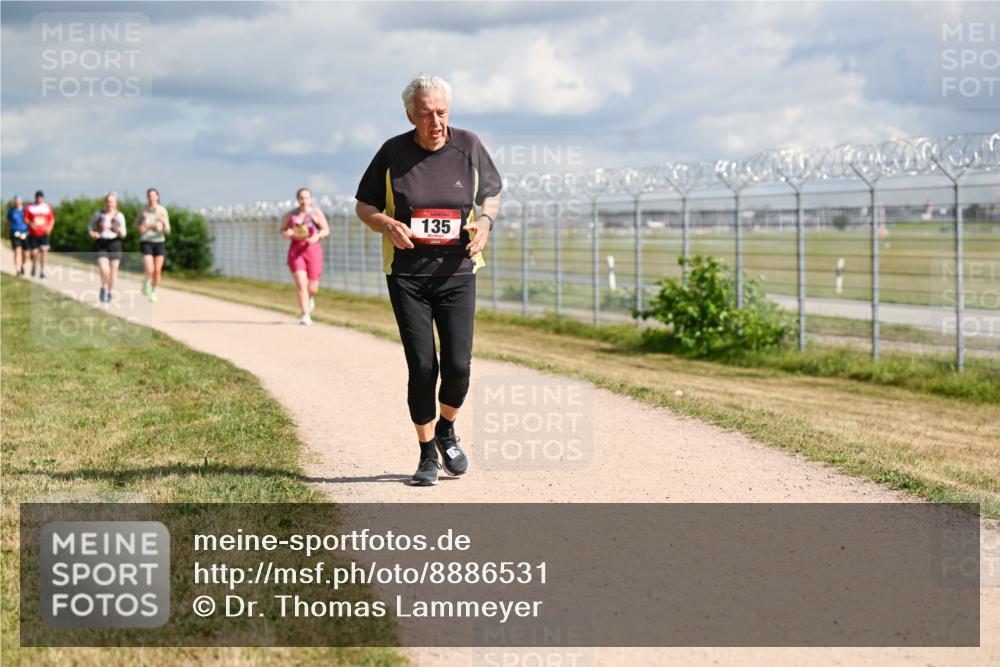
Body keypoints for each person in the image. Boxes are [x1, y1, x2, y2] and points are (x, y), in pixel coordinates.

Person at [355, 74, 501, 487]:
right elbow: (364, 205)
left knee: (457, 366)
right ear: (410, 114)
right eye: (425, 114)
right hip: (407, 276)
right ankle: (425, 455)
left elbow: (491, 193)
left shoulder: (468, 145)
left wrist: (486, 222)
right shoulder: (392, 152)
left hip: (457, 272)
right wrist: (385, 222)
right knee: (422, 366)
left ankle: (446, 430)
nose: (435, 122)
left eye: (442, 113)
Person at [280, 187, 330, 325]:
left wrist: (317, 236)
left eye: (307, 198)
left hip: (313, 250)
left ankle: (310, 298)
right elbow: (282, 231)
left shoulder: (315, 213)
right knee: (301, 284)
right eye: (301, 198)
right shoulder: (291, 215)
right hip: (296, 252)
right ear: (297, 199)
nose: (304, 201)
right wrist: (288, 233)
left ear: (310, 199)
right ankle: (305, 314)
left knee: (312, 287)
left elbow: (326, 230)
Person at [87, 192, 127, 303]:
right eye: (108, 201)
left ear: (115, 203)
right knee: (105, 270)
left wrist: (119, 230)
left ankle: (109, 292)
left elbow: (124, 233)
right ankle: (103, 287)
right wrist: (92, 232)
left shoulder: (119, 216)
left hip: (115, 243)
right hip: (101, 243)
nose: (110, 204)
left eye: (112, 202)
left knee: (113, 273)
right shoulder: (99, 214)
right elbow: (90, 225)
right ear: (105, 202)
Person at [137, 187, 170, 303]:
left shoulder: (162, 211)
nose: (151, 198)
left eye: (153, 195)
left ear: (157, 197)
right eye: (149, 196)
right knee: (150, 269)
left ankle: (154, 291)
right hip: (146, 241)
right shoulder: (143, 211)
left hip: (159, 242)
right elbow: (138, 227)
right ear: (147, 198)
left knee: (157, 270)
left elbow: (167, 230)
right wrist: (142, 228)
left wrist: (163, 223)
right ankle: (146, 281)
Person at [24, 190, 55, 279]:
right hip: (33, 234)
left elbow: (52, 219)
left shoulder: (47, 207)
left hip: (44, 233)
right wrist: (30, 224)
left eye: (40, 198)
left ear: (43, 198)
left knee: (44, 251)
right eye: (38, 198)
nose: (39, 199)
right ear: (35, 198)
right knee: (34, 253)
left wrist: (50, 228)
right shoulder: (30, 207)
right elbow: (25, 218)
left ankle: (42, 271)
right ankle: (34, 264)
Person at [7, 195, 29, 276]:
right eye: (15, 201)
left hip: (25, 233)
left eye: (18, 200)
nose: (17, 202)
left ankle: (21, 265)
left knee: (26, 254)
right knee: (17, 251)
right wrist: (5, 233)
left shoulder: (25, 210)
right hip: (15, 232)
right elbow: (8, 222)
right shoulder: (11, 211)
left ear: (21, 201)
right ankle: (18, 270)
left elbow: (30, 221)